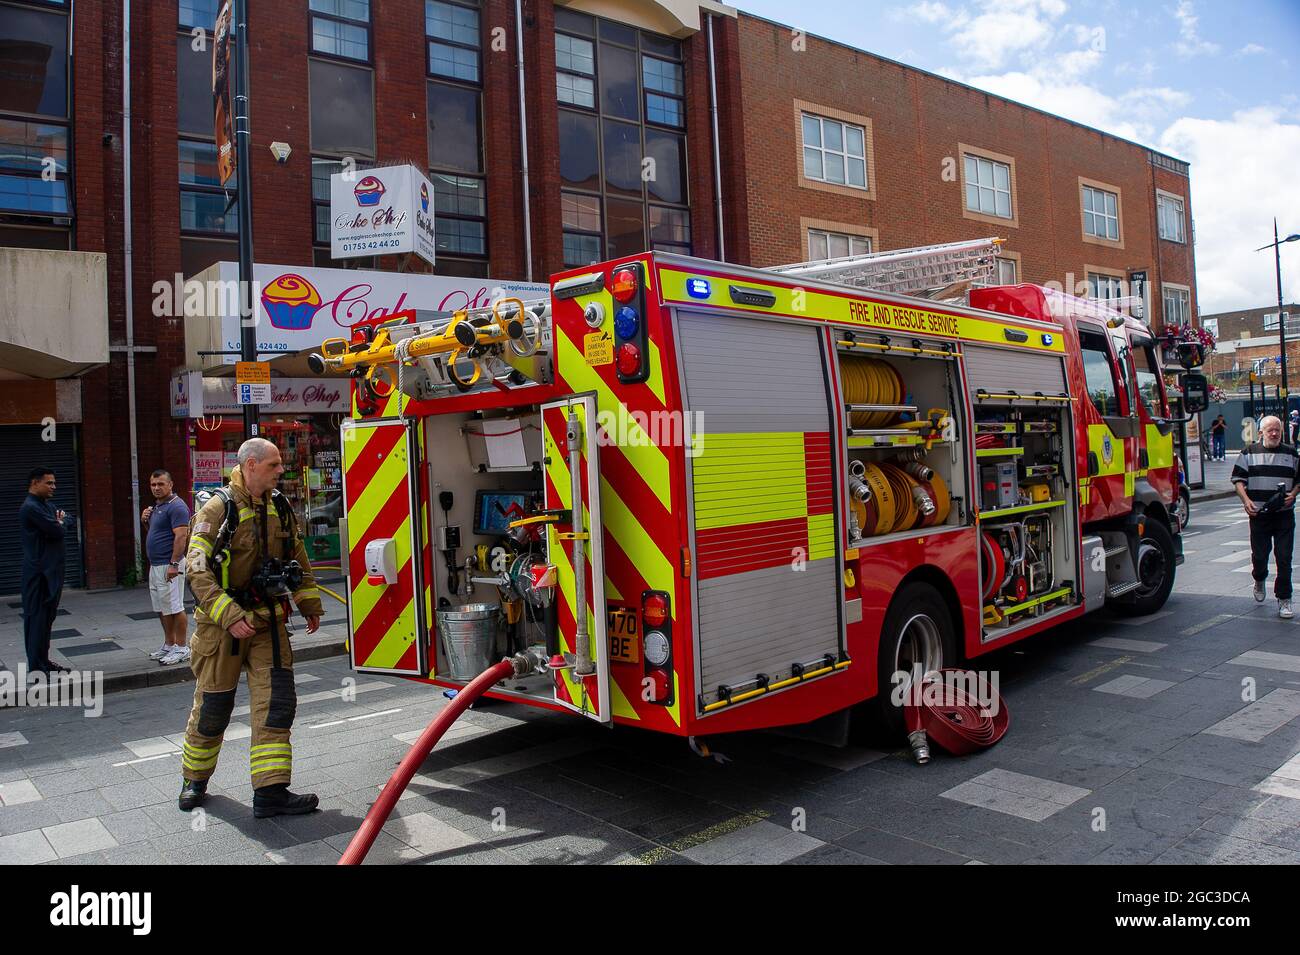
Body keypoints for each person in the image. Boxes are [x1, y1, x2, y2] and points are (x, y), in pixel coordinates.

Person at [178, 438, 323, 817]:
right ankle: (194, 780)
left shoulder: (280, 506)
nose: (281, 471)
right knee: (213, 707)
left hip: (268, 625)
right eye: (274, 465)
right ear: (252, 465)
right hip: (222, 629)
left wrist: (308, 603)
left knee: (275, 705)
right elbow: (195, 569)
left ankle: (271, 792)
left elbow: (297, 555)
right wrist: (230, 615)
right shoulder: (216, 509)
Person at [1232, 415, 1300, 618]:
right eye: (1270, 430)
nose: (1274, 433)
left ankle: (1284, 598)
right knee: (1260, 556)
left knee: (1284, 557)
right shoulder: (1248, 453)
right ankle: (1259, 577)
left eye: (1277, 430)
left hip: (1283, 515)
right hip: (1259, 514)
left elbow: (1299, 479)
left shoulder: (1291, 453)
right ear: (1260, 432)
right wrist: (1246, 501)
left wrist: (1293, 494)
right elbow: (1238, 480)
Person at [19, 468, 70, 675]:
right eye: (49, 483)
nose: (53, 487)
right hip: (38, 574)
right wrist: (59, 523)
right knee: (36, 619)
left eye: (54, 483)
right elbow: (57, 530)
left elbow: (67, 519)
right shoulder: (30, 507)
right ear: (34, 483)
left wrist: (61, 521)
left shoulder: (46, 505)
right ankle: (36, 666)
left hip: (51, 573)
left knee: (47, 620)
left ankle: (44, 660)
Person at [141, 469, 191, 665]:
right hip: (156, 565)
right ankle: (169, 645)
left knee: (175, 607)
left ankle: (181, 647)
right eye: (153, 485)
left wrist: (174, 563)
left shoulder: (177, 506)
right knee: (162, 607)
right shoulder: (157, 507)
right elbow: (157, 533)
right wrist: (145, 521)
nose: (156, 488)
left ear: (170, 485)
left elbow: (181, 536)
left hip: (170, 564)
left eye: (161, 484)